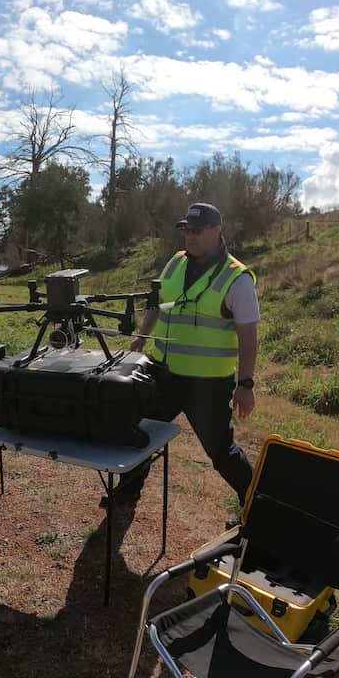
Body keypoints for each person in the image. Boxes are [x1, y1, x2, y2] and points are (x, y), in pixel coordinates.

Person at [108, 202, 259, 508]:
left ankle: (257, 503)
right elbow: (157, 301)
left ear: (216, 231)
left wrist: (245, 385)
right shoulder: (176, 262)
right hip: (164, 374)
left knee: (221, 453)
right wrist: (142, 334)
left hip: (208, 385)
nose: (190, 237)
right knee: (140, 434)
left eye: (197, 231)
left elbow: (248, 335)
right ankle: (127, 494)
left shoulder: (237, 278)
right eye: (187, 230)